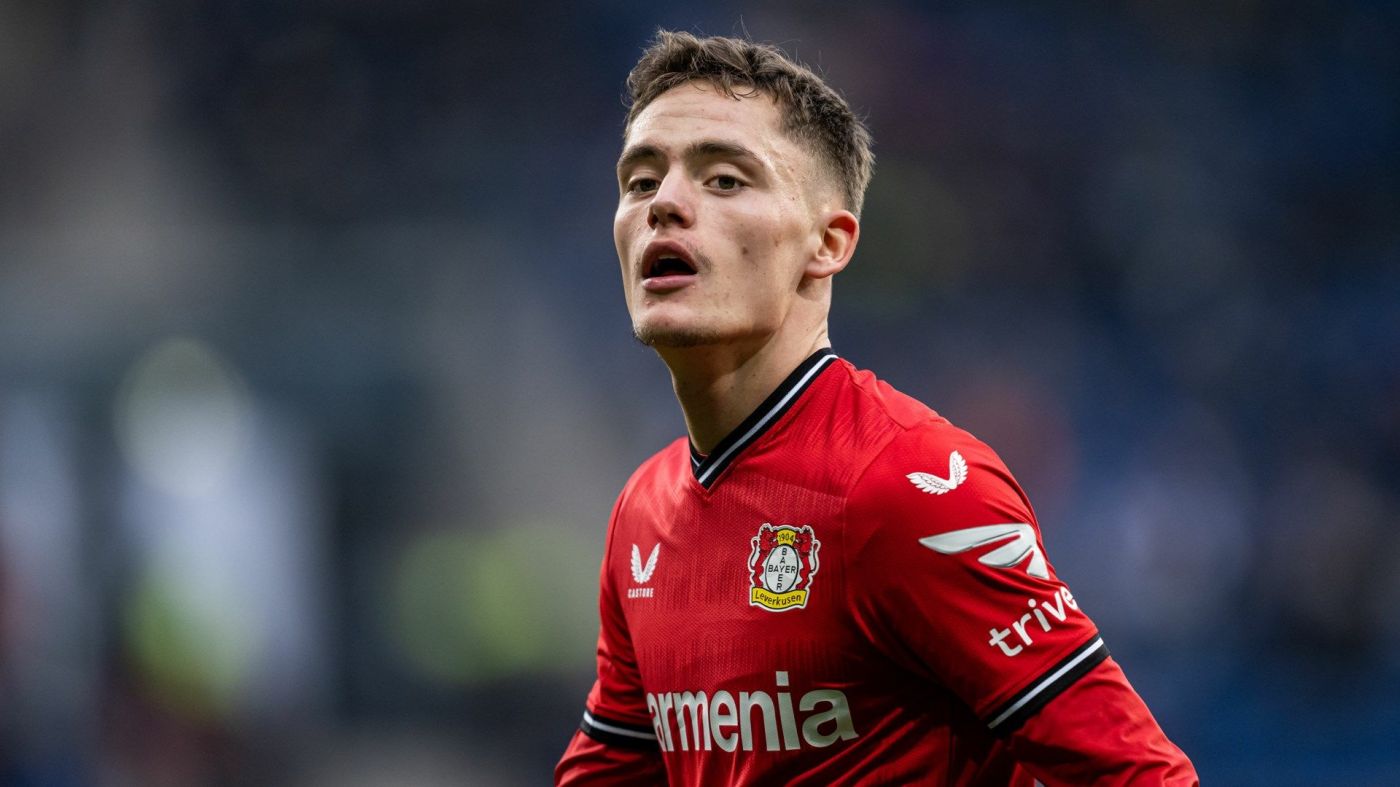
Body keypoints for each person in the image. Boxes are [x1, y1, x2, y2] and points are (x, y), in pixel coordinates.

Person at [556, 30, 1198, 785]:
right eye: (640, 181)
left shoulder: (911, 485)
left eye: (724, 179)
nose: (664, 204)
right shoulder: (644, 512)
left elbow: (1139, 775)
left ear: (828, 244)